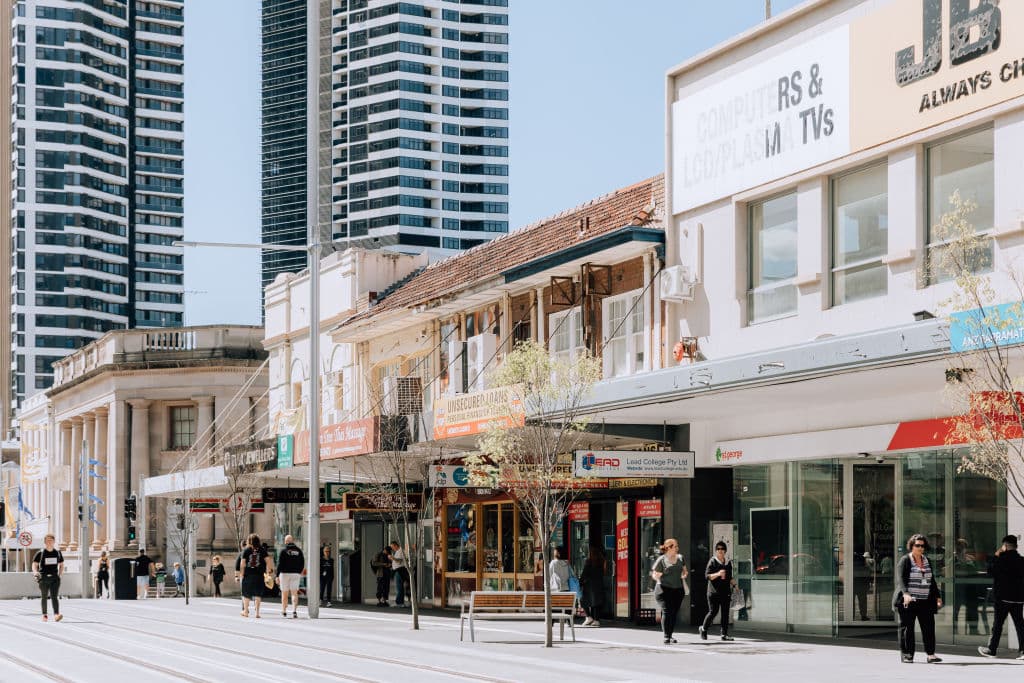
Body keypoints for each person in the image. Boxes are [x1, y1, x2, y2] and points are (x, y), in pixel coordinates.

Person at [893, 533, 943, 664]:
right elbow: (901, 579)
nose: (920, 548)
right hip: (908, 601)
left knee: (929, 628)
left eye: (923, 546)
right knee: (907, 629)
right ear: (911, 546)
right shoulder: (905, 560)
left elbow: (931, 580)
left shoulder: (927, 560)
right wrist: (906, 593)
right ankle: (907, 655)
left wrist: (937, 596)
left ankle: (931, 654)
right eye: (917, 545)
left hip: (925, 600)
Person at [977, 534, 1024, 660]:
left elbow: (990, 572)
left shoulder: (1001, 559)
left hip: (1003, 598)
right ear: (1016, 546)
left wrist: (996, 556)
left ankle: (992, 650)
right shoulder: (1022, 560)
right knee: (1020, 625)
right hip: (1019, 598)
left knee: (998, 624)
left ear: (1005, 546)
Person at [651, 538, 688, 645]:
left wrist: (684, 574)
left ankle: (670, 635)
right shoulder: (661, 560)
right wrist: (657, 576)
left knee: (674, 612)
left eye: (677, 546)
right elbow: (654, 574)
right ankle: (666, 636)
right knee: (667, 611)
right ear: (669, 548)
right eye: (675, 546)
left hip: (678, 589)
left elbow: (685, 571)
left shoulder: (681, 558)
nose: (677, 548)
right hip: (664, 589)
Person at [700, 541, 737, 641]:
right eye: (718, 549)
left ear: (725, 550)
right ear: (716, 551)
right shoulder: (713, 561)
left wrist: (735, 585)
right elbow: (707, 576)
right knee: (713, 612)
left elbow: (729, 577)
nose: (720, 550)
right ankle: (703, 629)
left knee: (725, 613)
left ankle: (724, 634)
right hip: (713, 592)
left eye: (722, 549)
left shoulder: (728, 562)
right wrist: (718, 574)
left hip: (725, 592)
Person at [32, 533, 64, 622]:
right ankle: (44, 615)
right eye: (47, 540)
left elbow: (61, 565)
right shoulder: (40, 553)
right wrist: (35, 573)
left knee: (54, 597)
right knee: (44, 596)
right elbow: (34, 564)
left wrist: (60, 575)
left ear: (54, 541)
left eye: (51, 540)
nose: (49, 542)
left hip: (55, 578)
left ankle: (57, 615)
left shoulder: (57, 553)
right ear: (45, 542)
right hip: (43, 578)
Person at [240, 533, 273, 618]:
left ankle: (246, 611)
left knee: (246, 594)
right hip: (259, 575)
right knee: (258, 594)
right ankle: (257, 613)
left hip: (248, 575)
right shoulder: (262, 550)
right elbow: (268, 561)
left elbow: (242, 564)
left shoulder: (246, 550)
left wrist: (242, 574)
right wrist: (269, 572)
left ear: (249, 541)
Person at [276, 534, 305, 618]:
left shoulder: (283, 551)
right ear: (292, 541)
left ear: (286, 542)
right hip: (295, 574)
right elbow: (302, 563)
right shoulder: (299, 551)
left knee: (284, 593)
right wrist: (298, 572)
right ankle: (294, 611)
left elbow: (279, 564)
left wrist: (277, 575)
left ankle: (284, 611)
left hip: (284, 574)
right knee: (294, 593)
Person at [580, 545, 605, 627]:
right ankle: (596, 620)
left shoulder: (589, 562)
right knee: (596, 603)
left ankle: (588, 616)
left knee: (583, 600)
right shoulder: (601, 562)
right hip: (599, 584)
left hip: (589, 585)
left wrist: (580, 582)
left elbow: (584, 574)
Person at [390, 540, 410, 607]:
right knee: (400, 587)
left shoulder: (401, 551)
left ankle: (399, 602)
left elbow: (399, 561)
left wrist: (392, 558)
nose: (392, 548)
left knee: (399, 587)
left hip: (399, 570)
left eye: (392, 547)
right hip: (399, 570)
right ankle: (400, 602)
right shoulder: (398, 551)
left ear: (396, 545)